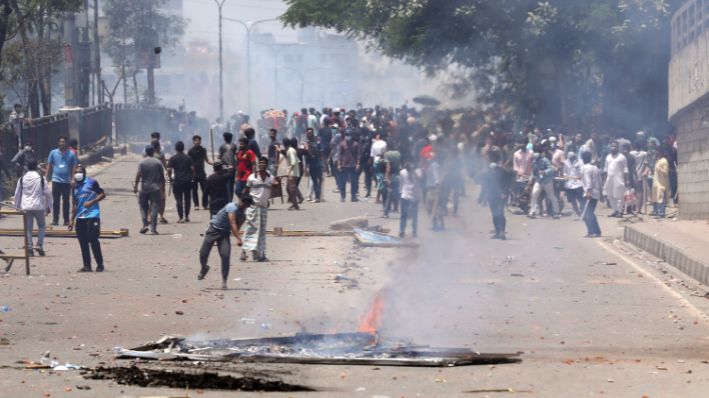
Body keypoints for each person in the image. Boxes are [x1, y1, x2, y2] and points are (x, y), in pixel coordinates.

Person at [198, 197, 253, 289]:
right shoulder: (231, 207)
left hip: (224, 234)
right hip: (213, 229)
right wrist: (239, 239)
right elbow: (232, 223)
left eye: (246, 205)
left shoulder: (242, 216)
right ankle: (204, 268)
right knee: (203, 253)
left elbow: (236, 227)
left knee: (225, 255)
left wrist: (237, 235)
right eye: (243, 203)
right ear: (240, 201)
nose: (243, 206)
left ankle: (224, 280)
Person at [69, 164, 106, 272]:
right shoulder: (74, 186)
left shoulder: (92, 182)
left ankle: (100, 264)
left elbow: (102, 194)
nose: (77, 174)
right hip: (80, 217)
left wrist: (92, 202)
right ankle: (87, 265)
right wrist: (71, 220)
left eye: (79, 172)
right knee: (83, 242)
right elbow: (74, 204)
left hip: (93, 215)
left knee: (93, 239)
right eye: (75, 172)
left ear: (84, 173)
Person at [14, 160, 52, 256]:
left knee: (28, 229)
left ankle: (30, 249)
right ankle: (39, 244)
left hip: (26, 207)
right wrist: (49, 207)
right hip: (39, 206)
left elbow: (17, 194)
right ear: (36, 167)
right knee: (42, 226)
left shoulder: (22, 179)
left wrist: (17, 206)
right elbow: (48, 194)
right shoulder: (41, 178)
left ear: (27, 167)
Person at [241, 157, 273, 262]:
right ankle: (244, 252)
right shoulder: (252, 178)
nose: (262, 165)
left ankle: (260, 254)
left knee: (261, 232)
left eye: (264, 163)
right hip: (253, 207)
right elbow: (245, 191)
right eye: (260, 163)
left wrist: (267, 199)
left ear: (267, 165)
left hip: (263, 208)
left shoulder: (270, 178)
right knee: (250, 229)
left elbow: (271, 190)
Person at [46, 136, 78, 226]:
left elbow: (74, 166)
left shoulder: (71, 154)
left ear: (66, 143)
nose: (62, 143)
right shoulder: (53, 153)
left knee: (66, 201)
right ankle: (55, 220)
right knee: (56, 201)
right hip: (56, 180)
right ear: (58, 143)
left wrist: (73, 179)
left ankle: (66, 220)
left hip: (67, 181)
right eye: (60, 142)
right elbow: (49, 165)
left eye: (64, 142)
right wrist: (46, 177)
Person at [134, 145, 165, 234]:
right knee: (154, 208)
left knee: (143, 207)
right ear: (153, 152)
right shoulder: (158, 162)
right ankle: (153, 229)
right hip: (156, 188)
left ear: (146, 152)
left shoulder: (141, 162)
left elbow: (138, 175)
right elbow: (162, 176)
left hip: (144, 188)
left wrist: (136, 186)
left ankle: (145, 225)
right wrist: (162, 187)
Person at [480, 158, 513, 240]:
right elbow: (486, 187)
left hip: (501, 197)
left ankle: (502, 231)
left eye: (495, 169)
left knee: (500, 213)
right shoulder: (488, 175)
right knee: (494, 214)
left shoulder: (504, 174)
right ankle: (497, 232)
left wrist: (504, 193)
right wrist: (484, 198)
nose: (494, 171)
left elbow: (507, 184)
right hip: (492, 197)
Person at [167, 141, 194, 223]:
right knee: (187, 199)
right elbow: (193, 169)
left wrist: (170, 178)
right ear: (183, 148)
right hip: (187, 181)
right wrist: (192, 177)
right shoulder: (188, 158)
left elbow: (169, 170)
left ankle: (181, 218)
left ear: (176, 148)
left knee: (179, 200)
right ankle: (187, 216)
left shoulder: (173, 158)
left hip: (177, 181)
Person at [529, 151, 559, 218]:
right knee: (534, 194)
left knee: (551, 196)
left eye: (537, 158)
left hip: (547, 181)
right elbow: (533, 172)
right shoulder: (534, 162)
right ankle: (532, 211)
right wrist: (530, 180)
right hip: (539, 181)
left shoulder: (545, 160)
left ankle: (556, 212)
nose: (536, 160)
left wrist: (544, 172)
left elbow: (550, 168)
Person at [603, 141, 628, 218]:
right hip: (609, 179)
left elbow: (626, 169)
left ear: (618, 148)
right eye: (612, 146)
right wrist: (604, 180)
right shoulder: (608, 157)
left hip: (619, 179)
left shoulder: (622, 157)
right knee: (610, 196)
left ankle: (620, 212)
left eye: (615, 146)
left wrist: (626, 180)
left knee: (620, 196)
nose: (613, 148)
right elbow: (605, 169)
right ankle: (615, 211)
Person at [580, 151, 602, 237]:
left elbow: (588, 180)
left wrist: (588, 191)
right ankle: (595, 231)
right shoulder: (595, 168)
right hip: (596, 193)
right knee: (589, 212)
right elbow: (600, 181)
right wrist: (601, 193)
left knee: (587, 213)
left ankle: (593, 231)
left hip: (589, 193)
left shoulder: (584, 168)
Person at [337, 129, 361, 202]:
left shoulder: (356, 144)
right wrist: (338, 164)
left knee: (354, 182)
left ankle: (353, 197)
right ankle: (343, 197)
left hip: (353, 165)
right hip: (344, 165)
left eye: (349, 135)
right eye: (347, 135)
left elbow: (358, 155)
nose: (348, 136)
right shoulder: (342, 144)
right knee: (342, 182)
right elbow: (339, 155)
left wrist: (358, 164)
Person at [399, 160, 422, 238]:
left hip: (415, 197)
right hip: (405, 196)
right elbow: (401, 183)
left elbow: (420, 179)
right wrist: (400, 193)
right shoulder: (402, 172)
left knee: (414, 215)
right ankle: (402, 231)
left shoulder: (418, 171)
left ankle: (414, 232)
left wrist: (414, 172)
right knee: (404, 215)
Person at [188, 135, 211, 210]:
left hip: (202, 172)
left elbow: (206, 159)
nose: (197, 142)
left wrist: (213, 163)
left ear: (200, 141)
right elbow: (189, 163)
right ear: (193, 141)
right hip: (194, 173)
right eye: (196, 140)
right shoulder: (190, 151)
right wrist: (191, 171)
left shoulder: (203, 150)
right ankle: (196, 205)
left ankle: (205, 204)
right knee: (194, 190)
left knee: (205, 189)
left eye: (198, 140)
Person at [305, 128, 324, 202]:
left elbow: (321, 153)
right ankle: (317, 197)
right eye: (308, 133)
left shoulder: (317, 142)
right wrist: (305, 168)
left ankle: (317, 197)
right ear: (306, 134)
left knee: (319, 181)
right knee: (314, 181)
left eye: (311, 133)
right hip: (311, 164)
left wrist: (323, 164)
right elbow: (306, 156)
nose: (310, 134)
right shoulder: (306, 143)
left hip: (318, 164)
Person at [562, 152, 584, 216]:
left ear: (574, 156)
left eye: (572, 158)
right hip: (569, 184)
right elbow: (564, 172)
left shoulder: (580, 162)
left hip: (578, 183)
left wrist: (580, 176)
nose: (571, 159)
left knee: (580, 198)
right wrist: (565, 176)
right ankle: (576, 211)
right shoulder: (565, 162)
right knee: (572, 199)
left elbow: (582, 171)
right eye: (570, 158)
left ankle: (582, 210)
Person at [651, 148, 670, 219]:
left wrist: (659, 168)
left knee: (661, 197)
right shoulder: (657, 160)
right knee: (656, 197)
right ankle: (657, 212)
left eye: (658, 151)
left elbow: (665, 172)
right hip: (656, 183)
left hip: (661, 183)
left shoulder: (664, 161)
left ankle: (661, 213)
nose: (656, 153)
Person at [218, 131, 237, 199]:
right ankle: (229, 199)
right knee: (230, 184)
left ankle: (228, 199)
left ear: (224, 138)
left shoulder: (222, 146)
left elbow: (219, 157)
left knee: (227, 184)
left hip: (225, 167)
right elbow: (236, 156)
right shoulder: (234, 146)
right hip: (231, 167)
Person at [284, 138, 301, 210]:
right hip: (294, 172)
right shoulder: (291, 150)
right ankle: (294, 203)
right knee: (288, 188)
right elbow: (298, 160)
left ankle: (296, 205)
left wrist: (289, 172)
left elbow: (293, 162)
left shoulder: (290, 151)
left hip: (293, 173)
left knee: (291, 189)